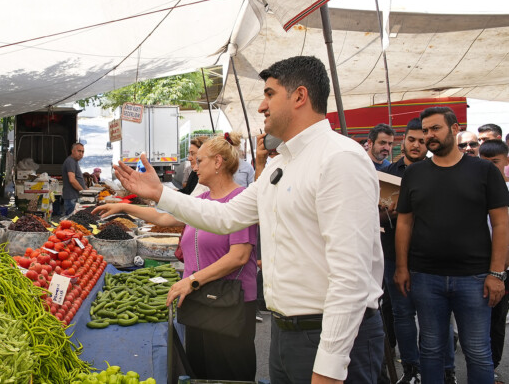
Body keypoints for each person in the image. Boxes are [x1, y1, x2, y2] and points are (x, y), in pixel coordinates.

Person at [114, 55, 384, 383]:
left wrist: (329, 367)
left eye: (269, 94)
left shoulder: (339, 159)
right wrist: (161, 194)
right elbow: (225, 216)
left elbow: (351, 276)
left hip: (329, 335)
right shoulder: (279, 166)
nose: (261, 106)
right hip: (287, 333)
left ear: (299, 96)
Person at [95, 133, 259, 381]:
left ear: (218, 162)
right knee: (199, 371)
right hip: (199, 299)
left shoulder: (240, 201)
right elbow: (163, 217)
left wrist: (192, 280)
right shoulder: (202, 200)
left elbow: (239, 257)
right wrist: (123, 206)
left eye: (199, 160)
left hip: (228, 303)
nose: (193, 166)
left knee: (228, 373)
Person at [394, 107, 509, 383]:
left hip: (475, 278)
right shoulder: (415, 173)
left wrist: (496, 274)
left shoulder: (484, 171)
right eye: (425, 130)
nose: (429, 135)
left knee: (478, 352)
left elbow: (502, 224)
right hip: (425, 277)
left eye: (435, 129)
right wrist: (401, 267)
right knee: (431, 350)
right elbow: (404, 223)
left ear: (454, 129)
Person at [378, 118, 458, 383]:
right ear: (404, 140)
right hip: (392, 253)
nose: (416, 145)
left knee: (436, 316)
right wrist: (382, 211)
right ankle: (412, 369)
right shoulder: (388, 172)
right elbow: (374, 215)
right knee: (402, 313)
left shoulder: (440, 169)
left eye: (421, 140)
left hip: (429, 257)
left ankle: (446, 371)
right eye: (411, 139)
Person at [478, 139, 509, 384]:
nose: (490, 168)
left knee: (497, 321)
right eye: (484, 163)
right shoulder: (477, 190)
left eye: (495, 163)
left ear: (506, 162)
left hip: (504, 270)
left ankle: (493, 367)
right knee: (480, 321)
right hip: (478, 268)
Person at [61, 143, 86, 215]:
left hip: (74, 197)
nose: (81, 154)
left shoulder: (74, 162)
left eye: (82, 152)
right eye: (79, 151)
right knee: (71, 221)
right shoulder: (70, 161)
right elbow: (72, 180)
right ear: (72, 151)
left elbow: (77, 178)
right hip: (72, 197)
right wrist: (83, 192)